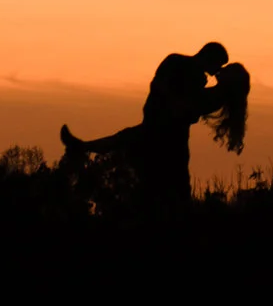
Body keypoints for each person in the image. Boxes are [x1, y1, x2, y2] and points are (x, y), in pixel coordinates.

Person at [59, 42, 237, 206]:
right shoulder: (177, 63)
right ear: (208, 57)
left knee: (129, 146)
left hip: (173, 133)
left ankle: (81, 147)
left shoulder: (194, 76)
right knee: (131, 148)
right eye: (217, 65)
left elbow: (191, 110)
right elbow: (160, 87)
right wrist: (176, 104)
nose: (216, 71)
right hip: (161, 126)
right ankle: (80, 147)